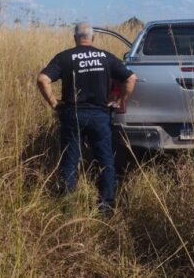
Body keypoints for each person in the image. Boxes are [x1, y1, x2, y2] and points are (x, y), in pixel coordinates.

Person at [36, 22, 137, 215]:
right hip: (100, 115)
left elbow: (43, 79)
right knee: (106, 160)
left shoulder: (65, 57)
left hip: (73, 115)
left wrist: (55, 104)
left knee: (69, 161)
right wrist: (119, 101)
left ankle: (68, 209)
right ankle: (105, 207)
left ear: (75, 38)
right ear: (93, 38)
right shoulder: (106, 57)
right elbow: (131, 78)